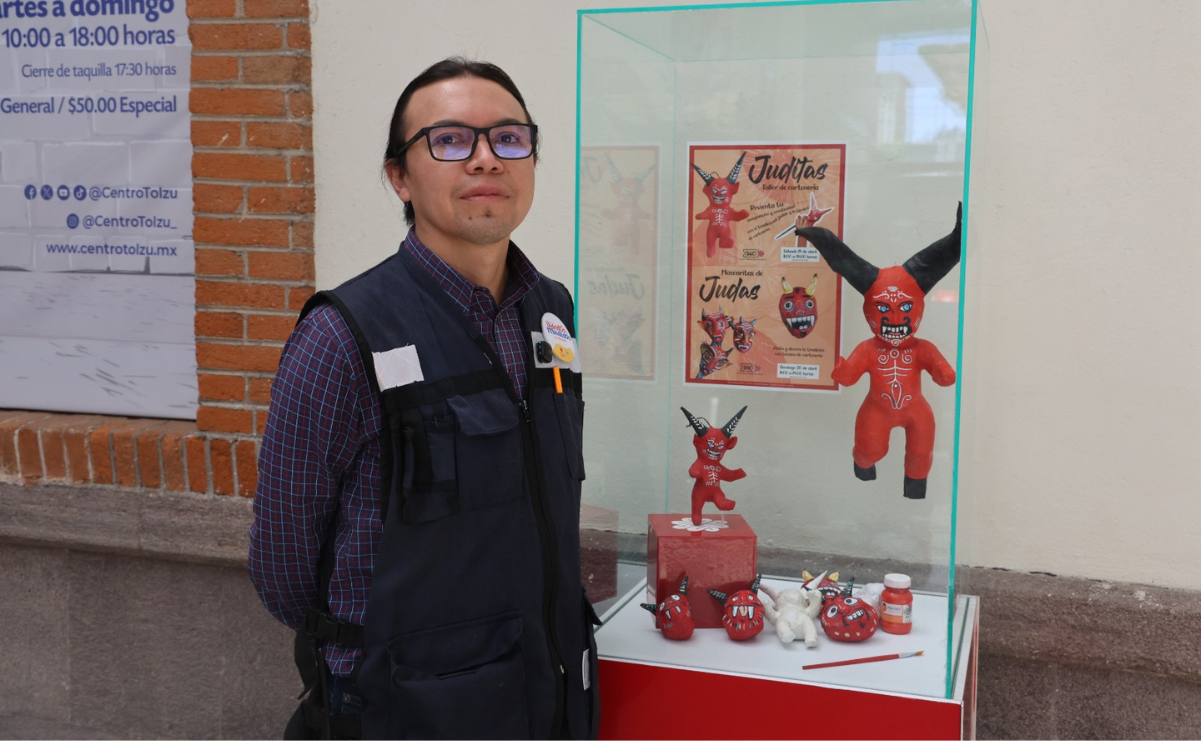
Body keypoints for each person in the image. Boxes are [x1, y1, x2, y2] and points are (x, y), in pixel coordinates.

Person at [249, 57, 597, 740]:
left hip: (548, 692)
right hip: (404, 711)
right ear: (399, 177)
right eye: (449, 140)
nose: (486, 159)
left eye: (508, 138)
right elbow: (283, 571)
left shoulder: (551, 311)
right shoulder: (341, 335)